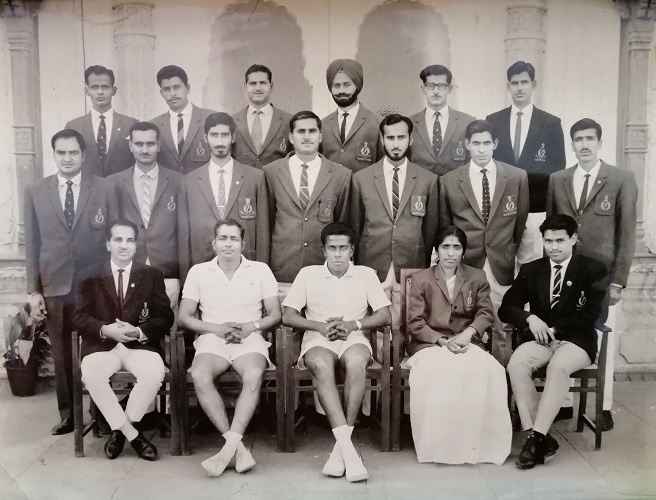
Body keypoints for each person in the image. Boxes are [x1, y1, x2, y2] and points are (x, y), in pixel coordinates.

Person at [24, 129, 119, 435]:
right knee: (63, 352)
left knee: (98, 346)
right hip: (55, 285)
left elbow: (113, 238)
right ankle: (68, 414)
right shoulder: (36, 190)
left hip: (94, 285)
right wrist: (34, 290)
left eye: (73, 153)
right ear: (54, 155)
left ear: (83, 155)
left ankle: (101, 412)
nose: (67, 159)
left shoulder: (103, 188)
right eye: (61, 153)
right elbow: (33, 244)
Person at [546, 118, 638, 430]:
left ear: (599, 142)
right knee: (564, 332)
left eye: (589, 139)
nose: (584, 145)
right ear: (572, 144)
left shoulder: (621, 179)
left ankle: (604, 407)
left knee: (601, 336)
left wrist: (618, 280)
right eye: (578, 140)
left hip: (601, 278)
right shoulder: (558, 179)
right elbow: (551, 228)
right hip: (565, 273)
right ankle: (563, 401)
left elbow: (627, 234)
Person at [282, 222, 391, 482]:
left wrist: (354, 324)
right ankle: (349, 451)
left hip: (353, 336)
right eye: (332, 248)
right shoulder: (308, 274)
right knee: (320, 363)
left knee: (356, 361)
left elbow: (385, 315)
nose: (338, 254)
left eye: (343, 248)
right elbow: (288, 315)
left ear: (352, 250)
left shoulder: (366, 274)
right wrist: (318, 325)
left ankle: (341, 448)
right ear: (324, 251)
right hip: (319, 337)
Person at [500, 214, 607, 469]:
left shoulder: (593, 269)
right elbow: (507, 307)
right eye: (548, 241)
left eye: (560, 240)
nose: (553, 247)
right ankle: (541, 437)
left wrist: (556, 327)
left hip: (577, 341)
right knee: (516, 364)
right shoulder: (532, 270)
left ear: (573, 239)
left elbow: (594, 314)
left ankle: (534, 440)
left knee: (558, 366)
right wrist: (530, 318)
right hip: (542, 339)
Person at [179, 219, 282, 477]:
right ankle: (235, 447)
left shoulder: (260, 269)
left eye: (233, 239)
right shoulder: (199, 271)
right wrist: (217, 329)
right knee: (200, 375)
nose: (228, 244)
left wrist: (251, 326)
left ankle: (228, 448)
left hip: (250, 338)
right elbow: (185, 317)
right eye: (223, 238)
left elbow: (275, 313)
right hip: (213, 338)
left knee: (253, 375)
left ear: (242, 243)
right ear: (214, 243)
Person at [405, 226, 511, 465]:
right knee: (442, 370)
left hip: (466, 341)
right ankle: (440, 446)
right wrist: (441, 340)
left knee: (487, 369)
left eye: (456, 247)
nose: (450, 253)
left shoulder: (476, 277)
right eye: (445, 247)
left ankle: (476, 444)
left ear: (463, 251)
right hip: (429, 344)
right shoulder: (421, 279)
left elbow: (485, 313)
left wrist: (468, 334)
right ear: (436, 250)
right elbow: (415, 322)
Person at [73, 219, 173, 461]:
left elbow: (165, 316)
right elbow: (78, 317)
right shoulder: (89, 275)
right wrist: (105, 329)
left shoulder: (151, 275)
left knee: (153, 372)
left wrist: (139, 331)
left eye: (129, 240)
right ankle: (133, 435)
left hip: (138, 344)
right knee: (93, 374)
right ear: (108, 244)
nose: (124, 245)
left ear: (136, 245)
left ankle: (118, 432)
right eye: (118, 239)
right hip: (101, 345)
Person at [439, 119, 529, 363]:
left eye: (486, 143)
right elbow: (447, 228)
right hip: (466, 264)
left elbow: (519, 224)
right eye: (476, 143)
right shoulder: (449, 181)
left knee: (502, 327)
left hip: (501, 264)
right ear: (467, 144)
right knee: (464, 326)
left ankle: (500, 389)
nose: (481, 149)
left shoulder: (516, 177)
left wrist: (506, 251)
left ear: (495, 144)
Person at [350, 113, 438, 335]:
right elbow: (355, 225)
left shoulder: (428, 180)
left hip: (411, 262)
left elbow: (431, 229)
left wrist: (423, 260)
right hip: (373, 262)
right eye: (390, 138)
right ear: (381, 139)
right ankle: (374, 364)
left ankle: (402, 365)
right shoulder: (361, 178)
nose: (396, 143)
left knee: (407, 322)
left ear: (411, 139)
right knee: (371, 321)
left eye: (401, 137)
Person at [486, 61, 566, 265]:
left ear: (533, 84)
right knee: (501, 265)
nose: (519, 87)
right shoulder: (493, 120)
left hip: (534, 209)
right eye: (514, 83)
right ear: (508, 86)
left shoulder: (550, 123)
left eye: (524, 82)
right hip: (502, 208)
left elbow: (557, 169)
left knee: (531, 265)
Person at [178, 112, 269, 282]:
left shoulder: (255, 177)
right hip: (202, 268)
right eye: (214, 135)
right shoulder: (188, 181)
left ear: (233, 137)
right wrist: (186, 281)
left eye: (225, 135)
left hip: (245, 269)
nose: (219, 142)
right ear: (205, 137)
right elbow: (184, 238)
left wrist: (262, 276)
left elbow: (262, 232)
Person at [109, 122, 182, 330]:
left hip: (167, 267)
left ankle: (168, 364)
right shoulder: (114, 183)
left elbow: (183, 229)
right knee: (131, 325)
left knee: (169, 326)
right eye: (138, 144)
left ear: (159, 145)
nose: (144, 149)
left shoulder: (178, 181)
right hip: (130, 265)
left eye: (150, 143)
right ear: (130, 146)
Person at [263, 110, 350, 283]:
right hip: (282, 268)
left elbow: (342, 224)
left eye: (312, 131)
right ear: (291, 137)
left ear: (320, 136)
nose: (307, 136)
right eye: (300, 131)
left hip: (324, 268)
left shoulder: (341, 175)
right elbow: (268, 222)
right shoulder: (271, 172)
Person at [65, 65, 138, 177]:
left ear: (114, 91)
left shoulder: (131, 124)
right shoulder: (74, 126)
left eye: (105, 87)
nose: (100, 92)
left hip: (121, 191)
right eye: (94, 87)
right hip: (87, 190)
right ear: (87, 91)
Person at [409, 64, 475, 176]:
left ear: (449, 89)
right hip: (421, 191)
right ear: (423, 89)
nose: (435, 91)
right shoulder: (409, 123)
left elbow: (472, 162)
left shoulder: (467, 122)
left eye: (441, 86)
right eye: (430, 85)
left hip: (455, 189)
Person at [150, 65, 215, 174]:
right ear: (161, 93)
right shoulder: (153, 126)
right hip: (169, 189)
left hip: (203, 188)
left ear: (187, 88)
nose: (172, 94)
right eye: (166, 89)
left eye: (177, 87)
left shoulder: (210, 118)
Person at [321, 59, 383, 173]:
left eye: (347, 85)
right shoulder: (322, 125)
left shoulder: (378, 124)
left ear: (357, 85)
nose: (341, 91)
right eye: (336, 86)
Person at [231, 64, 293, 168]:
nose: (258, 88)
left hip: (275, 182)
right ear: (245, 87)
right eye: (253, 83)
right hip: (244, 182)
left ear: (271, 86)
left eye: (263, 83)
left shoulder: (288, 121)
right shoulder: (233, 121)